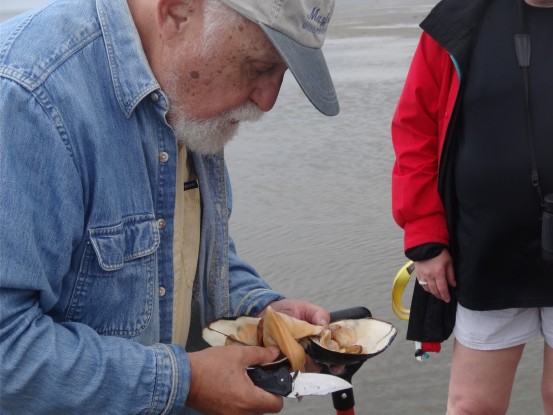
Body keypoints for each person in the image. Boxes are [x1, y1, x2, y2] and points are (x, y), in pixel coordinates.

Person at [0, 0, 340, 413]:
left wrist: (263, 312)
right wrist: (186, 381)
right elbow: (7, 347)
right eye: (257, 67)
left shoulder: (188, 94)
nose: (267, 100)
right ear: (177, 12)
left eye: (282, 73)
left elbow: (182, 253)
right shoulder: (28, 96)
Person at [391, 0, 553, 414]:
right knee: (472, 405)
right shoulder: (459, 19)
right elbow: (415, 130)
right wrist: (426, 238)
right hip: (485, 248)